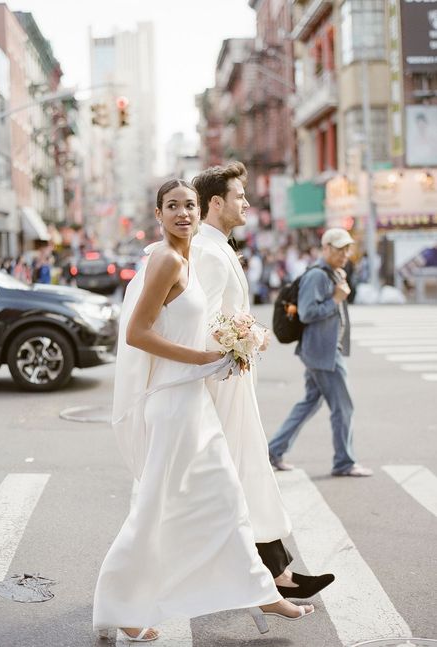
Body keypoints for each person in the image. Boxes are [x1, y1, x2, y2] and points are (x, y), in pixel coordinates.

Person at [93, 179, 314, 643]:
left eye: (189, 205)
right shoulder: (166, 259)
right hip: (173, 404)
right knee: (155, 508)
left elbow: (192, 323)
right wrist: (205, 360)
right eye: (172, 206)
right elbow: (137, 333)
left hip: (193, 401)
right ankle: (118, 605)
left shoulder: (190, 259)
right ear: (158, 214)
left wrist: (233, 343)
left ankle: (259, 589)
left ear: (200, 211)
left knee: (226, 501)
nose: (183, 213)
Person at [192, 163, 334, 601]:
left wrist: (245, 338)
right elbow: (204, 323)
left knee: (240, 478)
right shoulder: (209, 251)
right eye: (239, 196)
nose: (247, 203)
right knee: (239, 477)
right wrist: (241, 342)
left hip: (233, 379)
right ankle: (271, 574)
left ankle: (273, 572)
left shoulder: (219, 246)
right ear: (216, 203)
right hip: (223, 384)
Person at [268, 228, 373, 477]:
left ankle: (273, 451)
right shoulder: (317, 276)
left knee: (309, 403)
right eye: (339, 249)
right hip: (322, 353)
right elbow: (306, 312)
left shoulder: (334, 272)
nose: (344, 254)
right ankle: (344, 462)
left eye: (347, 248)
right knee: (343, 407)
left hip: (322, 350)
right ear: (325, 248)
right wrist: (335, 300)